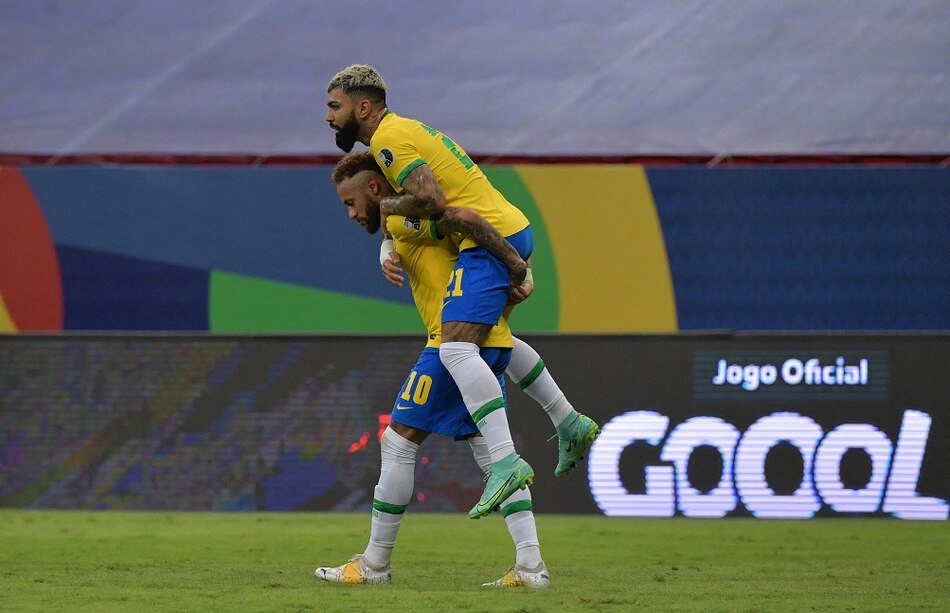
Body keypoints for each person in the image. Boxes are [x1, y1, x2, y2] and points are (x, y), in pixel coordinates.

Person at [325, 64, 599, 519]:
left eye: (335, 106)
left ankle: (509, 460)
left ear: (364, 106)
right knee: (495, 342)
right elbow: (425, 207)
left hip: (490, 238)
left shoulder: (388, 141)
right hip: (502, 230)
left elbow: (436, 204)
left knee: (455, 353)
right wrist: (388, 238)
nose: (329, 116)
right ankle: (566, 424)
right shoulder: (403, 133)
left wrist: (513, 264)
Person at [315, 152, 549, 587]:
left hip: (451, 342)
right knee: (487, 453)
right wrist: (387, 246)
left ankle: (374, 565)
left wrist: (522, 268)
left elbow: (476, 222)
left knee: (398, 442)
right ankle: (532, 567)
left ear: (374, 190)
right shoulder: (404, 217)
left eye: (351, 202)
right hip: (479, 340)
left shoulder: (427, 215)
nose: (350, 214)